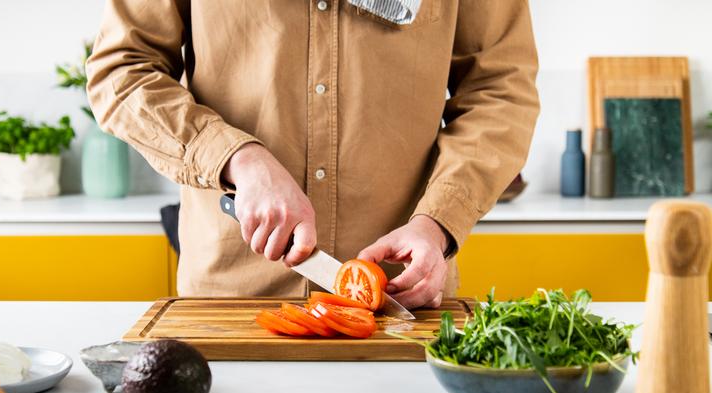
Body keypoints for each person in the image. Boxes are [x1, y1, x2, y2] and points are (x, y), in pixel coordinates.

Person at [86, 0, 539, 309]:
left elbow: (501, 89)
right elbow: (121, 70)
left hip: (402, 297)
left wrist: (438, 222)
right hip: (231, 299)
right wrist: (236, 157)